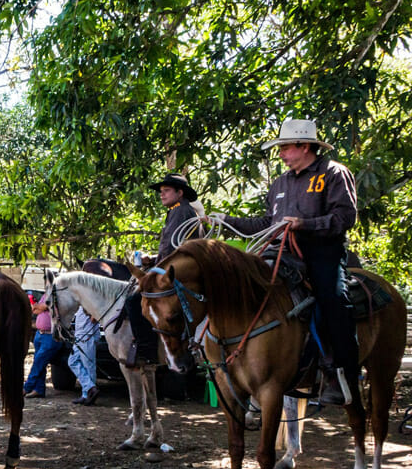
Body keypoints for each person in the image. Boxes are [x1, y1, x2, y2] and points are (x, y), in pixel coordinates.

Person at [220, 119, 358, 406]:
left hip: (322, 252)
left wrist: (304, 224)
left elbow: (344, 218)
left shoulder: (333, 174)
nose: (280, 153)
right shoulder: (280, 183)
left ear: (304, 146)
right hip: (281, 253)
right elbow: (266, 223)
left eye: (284, 148)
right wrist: (226, 222)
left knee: (332, 299)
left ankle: (339, 373)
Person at [124, 173, 203, 366]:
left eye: (166, 191)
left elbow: (172, 250)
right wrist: (152, 259)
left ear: (180, 192)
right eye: (161, 191)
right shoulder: (178, 210)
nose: (162, 195)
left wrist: (155, 266)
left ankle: (146, 350)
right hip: (170, 266)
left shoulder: (180, 211)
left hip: (176, 272)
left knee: (134, 301)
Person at [70, 260, 114, 405]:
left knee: (89, 365)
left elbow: (98, 312)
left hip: (87, 335)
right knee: (72, 361)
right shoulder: (87, 291)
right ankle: (89, 388)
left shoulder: (97, 292)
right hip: (80, 335)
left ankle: (88, 394)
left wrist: (93, 314)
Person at [23, 288, 65, 399]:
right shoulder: (45, 295)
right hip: (40, 334)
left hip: (51, 335)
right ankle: (39, 389)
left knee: (39, 361)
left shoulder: (57, 296)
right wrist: (39, 307)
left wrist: (40, 306)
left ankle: (27, 387)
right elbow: (34, 310)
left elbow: (42, 307)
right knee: (39, 361)